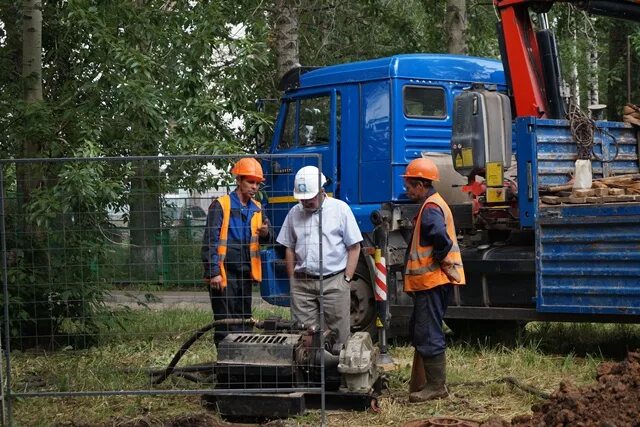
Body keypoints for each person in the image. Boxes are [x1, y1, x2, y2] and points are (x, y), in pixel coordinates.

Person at [276, 166, 363, 347]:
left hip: (334, 282)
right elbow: (289, 248)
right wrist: (292, 278)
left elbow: (354, 247)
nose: (306, 202)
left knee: (339, 336)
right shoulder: (294, 213)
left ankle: (337, 371)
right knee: (304, 337)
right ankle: (309, 373)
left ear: (322, 190)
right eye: (303, 199)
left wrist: (346, 279)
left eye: (310, 198)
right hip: (302, 284)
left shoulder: (340, 210)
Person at [402, 157, 465, 403]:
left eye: (409, 186)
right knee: (421, 329)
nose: (407, 190)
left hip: (432, 281)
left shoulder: (430, 209)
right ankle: (430, 382)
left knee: (428, 331)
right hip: (431, 281)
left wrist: (439, 258)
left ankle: (436, 387)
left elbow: (441, 238)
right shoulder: (434, 204)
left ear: (420, 184)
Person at [202, 157, 271, 345]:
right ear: (238, 180)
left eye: (257, 183)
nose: (254, 187)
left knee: (244, 318)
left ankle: (242, 360)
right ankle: (226, 365)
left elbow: (268, 237)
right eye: (250, 182)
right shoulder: (221, 205)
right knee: (225, 321)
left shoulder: (257, 208)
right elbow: (210, 241)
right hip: (224, 274)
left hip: (245, 273)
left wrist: (266, 234)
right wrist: (213, 272)